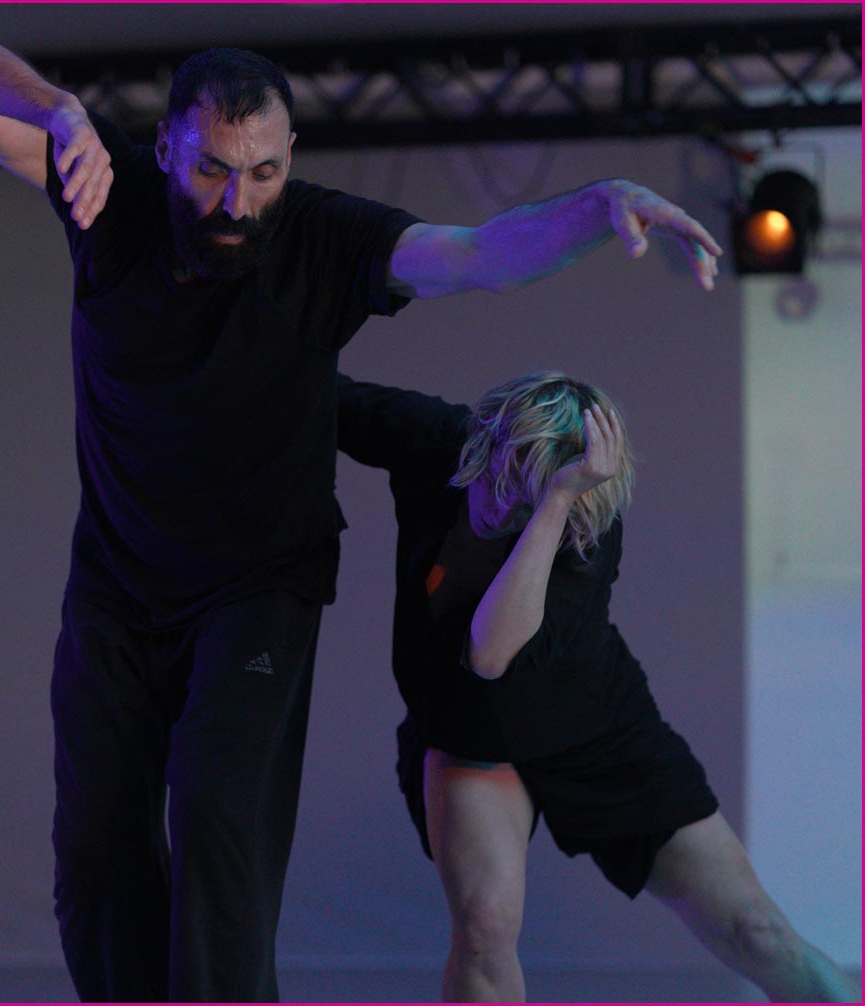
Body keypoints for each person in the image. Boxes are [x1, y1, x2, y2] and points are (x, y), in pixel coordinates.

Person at [0, 16, 725, 1003]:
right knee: (94, 849)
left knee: (217, 814)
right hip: (116, 586)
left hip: (257, 588)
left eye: (262, 173)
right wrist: (55, 108)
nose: (236, 201)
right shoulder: (106, 193)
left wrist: (597, 204)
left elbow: (478, 253)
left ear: (289, 155)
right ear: (165, 147)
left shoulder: (327, 239)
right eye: (210, 170)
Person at [336, 372, 859, 1003]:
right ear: (484, 442)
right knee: (484, 930)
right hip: (471, 736)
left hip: (595, 730)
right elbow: (306, 392)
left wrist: (556, 503)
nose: (503, 507)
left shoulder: (585, 528)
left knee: (758, 932)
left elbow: (492, 652)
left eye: (528, 502)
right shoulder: (438, 438)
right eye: (500, 480)